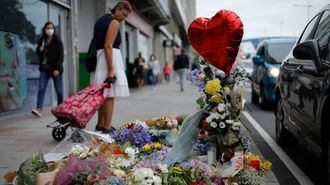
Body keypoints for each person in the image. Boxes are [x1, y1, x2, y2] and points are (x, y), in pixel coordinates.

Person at [90, 1, 132, 134]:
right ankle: (107, 128)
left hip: (101, 59)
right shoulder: (114, 22)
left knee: (103, 95)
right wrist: (111, 69)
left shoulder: (100, 20)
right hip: (109, 61)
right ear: (118, 9)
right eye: (124, 14)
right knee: (109, 95)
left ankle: (100, 125)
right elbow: (108, 45)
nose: (124, 18)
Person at [32, 22, 64, 118]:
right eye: (47, 28)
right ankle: (39, 109)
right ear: (44, 29)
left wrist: (57, 69)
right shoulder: (42, 40)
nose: (49, 30)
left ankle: (60, 109)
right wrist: (40, 50)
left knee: (59, 91)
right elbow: (39, 52)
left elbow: (61, 56)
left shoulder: (57, 40)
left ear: (53, 29)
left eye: (51, 28)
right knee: (41, 89)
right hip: (44, 69)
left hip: (55, 69)